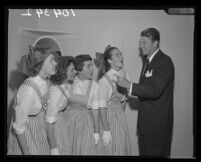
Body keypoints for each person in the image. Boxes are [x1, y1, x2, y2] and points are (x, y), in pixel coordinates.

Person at [116, 28, 175, 157]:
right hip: (145, 123)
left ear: (155, 43)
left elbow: (155, 91)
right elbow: (145, 90)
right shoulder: (147, 61)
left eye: (144, 42)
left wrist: (129, 85)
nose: (140, 46)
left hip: (157, 124)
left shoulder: (165, 62)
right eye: (140, 42)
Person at [7, 45, 58, 155]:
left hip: (37, 124)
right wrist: (26, 152)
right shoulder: (28, 91)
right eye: (52, 60)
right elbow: (19, 127)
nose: (55, 63)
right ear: (41, 64)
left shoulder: (45, 82)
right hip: (26, 133)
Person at [97, 45, 132, 155]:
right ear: (109, 60)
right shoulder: (104, 80)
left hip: (119, 115)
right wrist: (106, 130)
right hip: (107, 117)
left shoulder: (126, 75)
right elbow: (101, 107)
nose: (121, 56)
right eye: (117, 55)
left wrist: (120, 116)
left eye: (121, 54)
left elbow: (124, 100)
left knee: (121, 146)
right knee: (112, 149)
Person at [63, 54, 100, 155]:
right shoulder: (69, 81)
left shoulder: (95, 86)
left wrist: (96, 131)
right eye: (89, 66)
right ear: (79, 70)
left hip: (85, 123)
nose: (92, 68)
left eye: (92, 65)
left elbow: (95, 110)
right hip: (67, 121)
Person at [46, 56, 76, 155]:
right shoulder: (56, 91)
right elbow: (49, 122)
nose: (75, 72)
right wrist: (53, 147)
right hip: (53, 127)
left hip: (61, 122)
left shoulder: (66, 85)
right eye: (72, 70)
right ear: (63, 72)